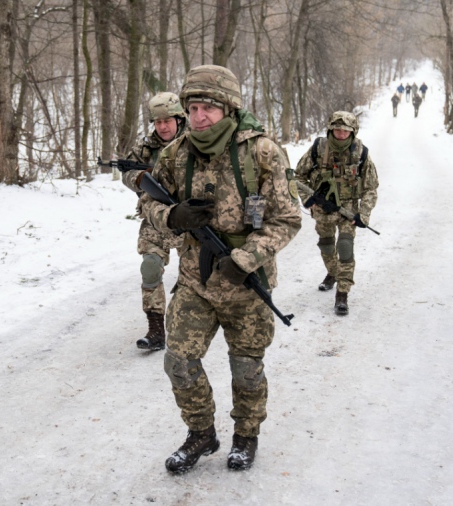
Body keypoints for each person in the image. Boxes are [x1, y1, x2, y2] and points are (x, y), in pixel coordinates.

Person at [140, 65, 301, 473]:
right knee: (178, 361)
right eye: (192, 107)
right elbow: (148, 202)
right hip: (196, 280)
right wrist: (174, 216)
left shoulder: (263, 152)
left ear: (229, 108)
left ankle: (246, 436)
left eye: (208, 107)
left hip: (247, 284)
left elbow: (287, 218)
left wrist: (244, 260)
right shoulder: (176, 153)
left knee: (246, 369)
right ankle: (201, 434)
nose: (198, 116)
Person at [120, 93, 188, 351]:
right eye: (157, 122)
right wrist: (139, 179)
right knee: (150, 268)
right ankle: (156, 330)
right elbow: (126, 172)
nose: (162, 127)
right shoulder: (145, 149)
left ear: (180, 119)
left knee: (195, 274)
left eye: (167, 121)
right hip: (154, 218)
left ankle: (192, 321)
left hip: (187, 218)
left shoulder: (195, 142)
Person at [295, 111, 379, 316]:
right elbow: (296, 176)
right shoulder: (318, 148)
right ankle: (332, 273)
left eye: (345, 130)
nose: (341, 134)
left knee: (345, 246)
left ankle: (342, 294)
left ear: (353, 131)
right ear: (331, 129)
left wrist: (363, 215)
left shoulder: (361, 153)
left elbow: (371, 188)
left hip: (347, 211)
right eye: (337, 130)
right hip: (321, 211)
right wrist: (308, 200)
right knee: (326, 245)